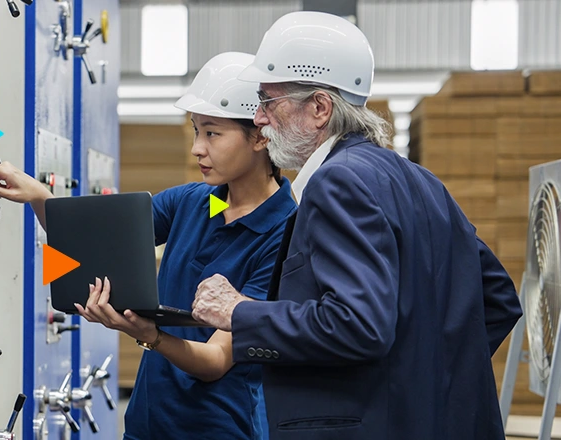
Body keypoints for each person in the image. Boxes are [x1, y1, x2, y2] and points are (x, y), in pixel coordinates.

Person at [190, 11, 523, 440]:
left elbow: (357, 324)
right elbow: (497, 298)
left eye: (268, 101)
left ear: (319, 108)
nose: (258, 117)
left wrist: (240, 312)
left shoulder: (338, 182)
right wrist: (424, 385)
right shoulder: (419, 180)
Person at [0, 52, 297, 439]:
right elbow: (93, 242)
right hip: (146, 424)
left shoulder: (285, 233)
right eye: (196, 131)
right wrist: (39, 196)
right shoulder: (194, 201)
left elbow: (217, 359)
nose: (197, 148)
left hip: (217, 429)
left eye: (212, 133)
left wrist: (149, 335)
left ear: (260, 135)